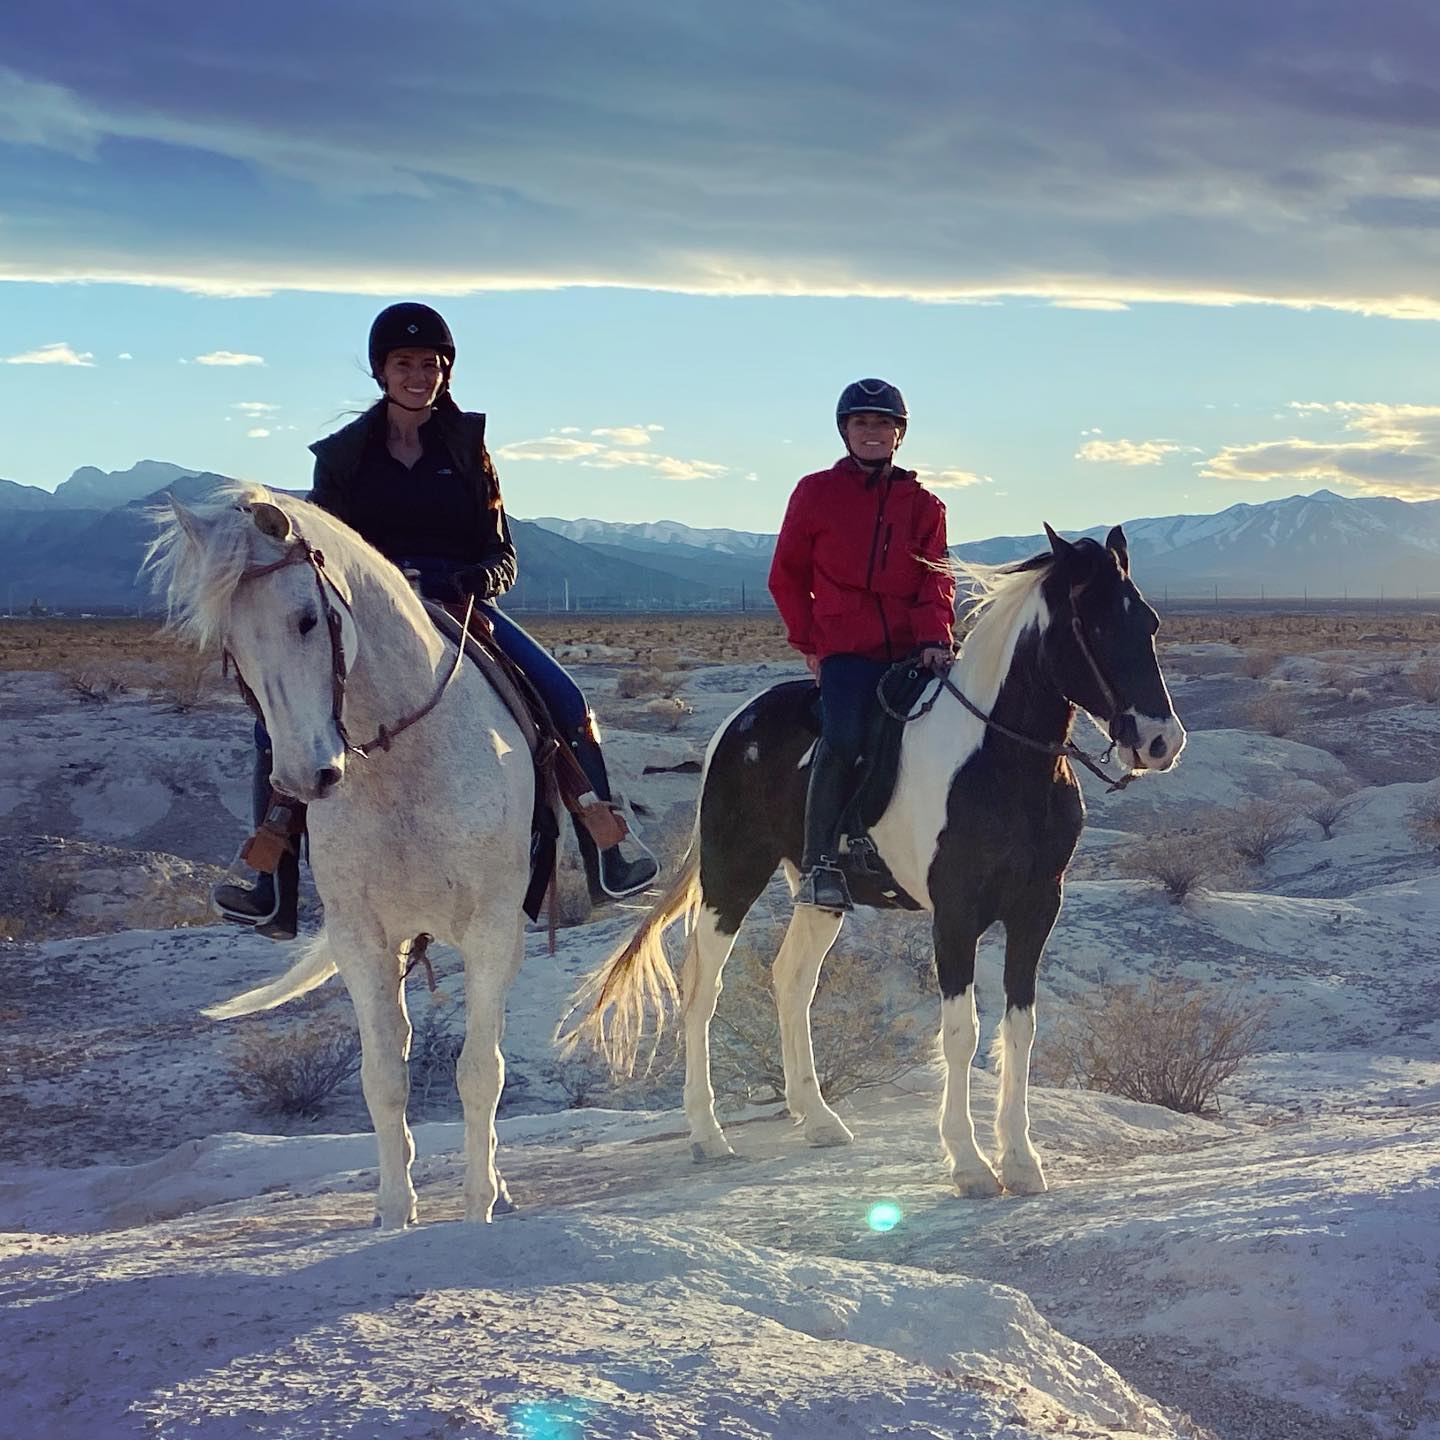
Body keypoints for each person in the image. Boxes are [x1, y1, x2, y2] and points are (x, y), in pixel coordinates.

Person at [212, 302, 658, 937]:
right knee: (278, 723)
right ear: (381, 371)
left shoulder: (469, 449)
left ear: (446, 372)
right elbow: (320, 551)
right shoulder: (341, 458)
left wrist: (480, 579)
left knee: (566, 700)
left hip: (461, 607)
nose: (419, 376)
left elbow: (502, 550)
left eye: (432, 364)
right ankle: (268, 875)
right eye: (405, 364)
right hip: (369, 617)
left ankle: (605, 845)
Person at [767, 378, 956, 913]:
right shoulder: (815, 493)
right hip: (847, 651)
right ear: (845, 431)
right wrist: (812, 644)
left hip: (910, 652)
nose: (872, 432)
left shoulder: (924, 505)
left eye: (883, 424)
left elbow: (936, 580)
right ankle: (822, 861)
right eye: (861, 423)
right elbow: (787, 577)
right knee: (845, 737)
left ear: (899, 434)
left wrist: (935, 639)